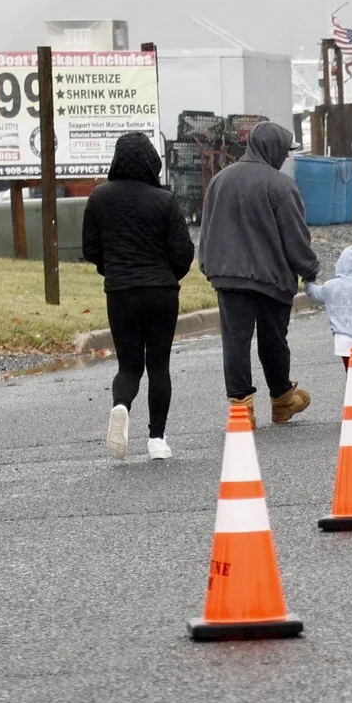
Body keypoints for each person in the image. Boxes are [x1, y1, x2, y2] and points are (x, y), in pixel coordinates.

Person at [81, 130, 195, 461]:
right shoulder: (164, 200)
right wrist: (169, 275)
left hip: (121, 291)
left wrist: (111, 268)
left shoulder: (100, 198)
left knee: (129, 366)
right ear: (151, 161)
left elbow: (90, 248)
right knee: (159, 364)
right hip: (161, 292)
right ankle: (157, 439)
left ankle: (121, 405)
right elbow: (183, 252)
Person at [198, 118, 318, 424]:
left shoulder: (220, 180)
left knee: (235, 341)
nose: (285, 157)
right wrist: (310, 270)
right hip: (271, 278)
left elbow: (207, 228)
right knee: (273, 339)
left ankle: (241, 408)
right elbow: (295, 235)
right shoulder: (280, 186)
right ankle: (282, 399)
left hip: (228, 276)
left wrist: (208, 265)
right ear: (273, 149)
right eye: (284, 151)